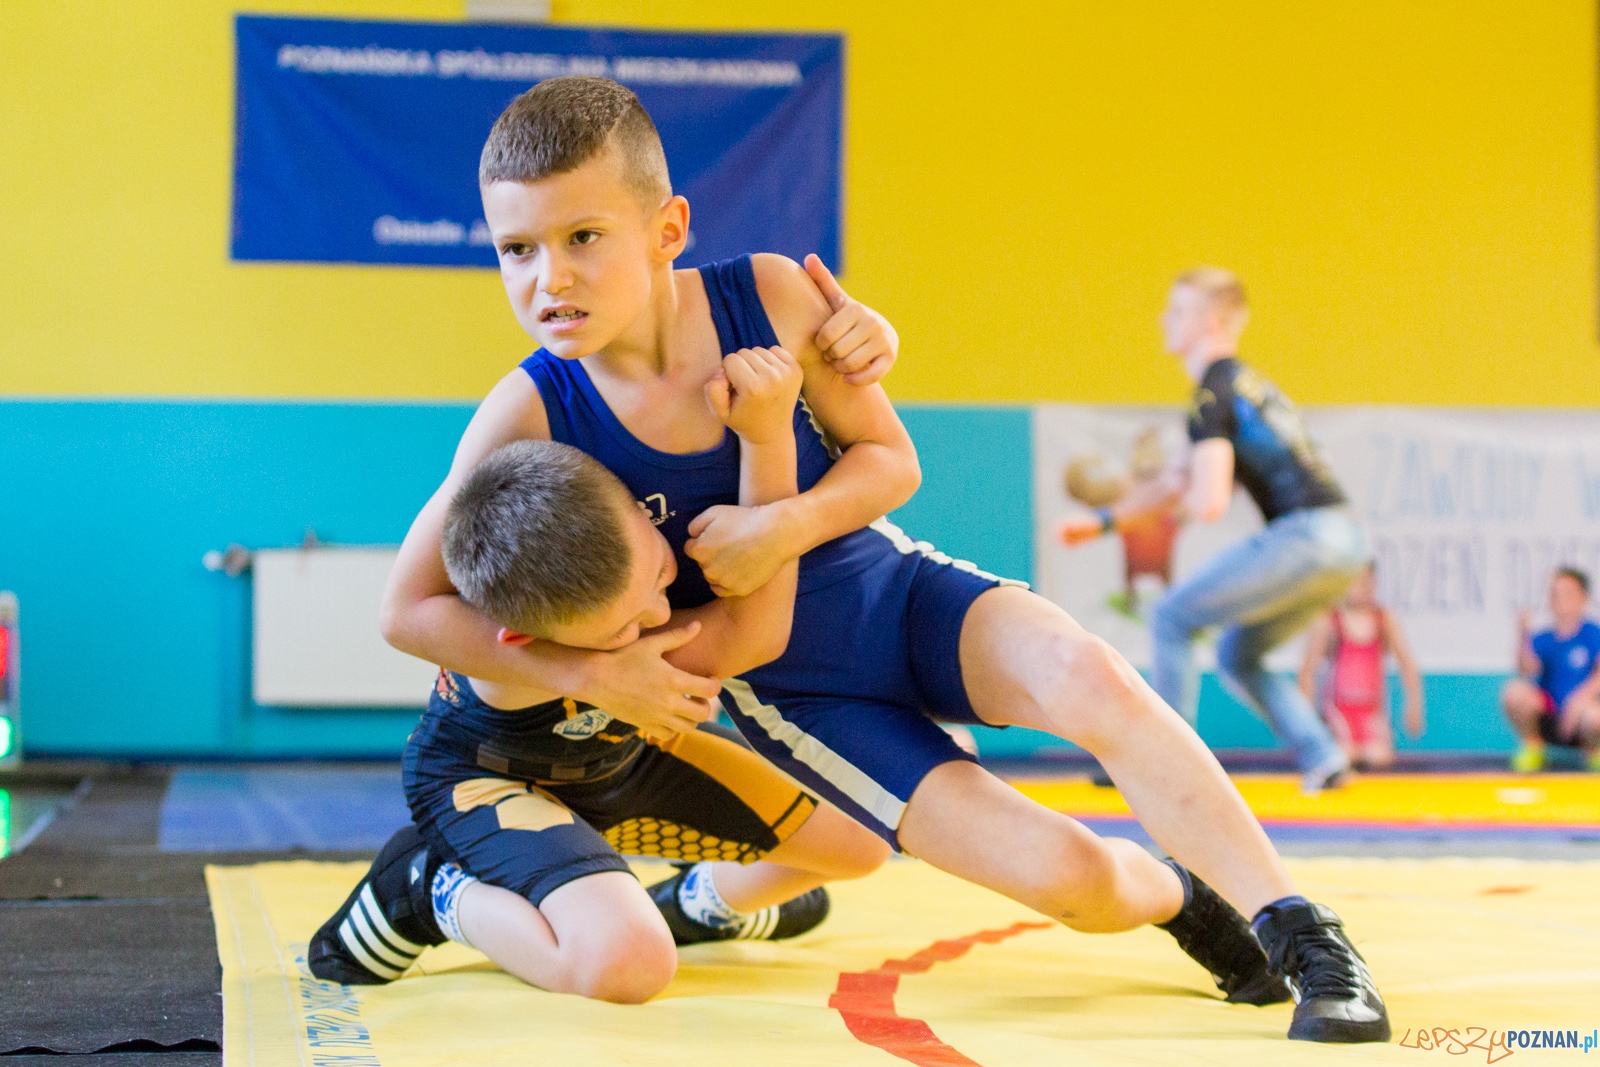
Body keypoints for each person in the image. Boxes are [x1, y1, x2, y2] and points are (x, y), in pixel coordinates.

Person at [379, 77, 1389, 1042]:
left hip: (896, 593)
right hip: (802, 696)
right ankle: (1180, 894)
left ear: (668, 231)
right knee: (1070, 879)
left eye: (582, 238)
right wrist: (590, 672)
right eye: (516, 249)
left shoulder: (768, 296)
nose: (547, 279)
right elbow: (407, 607)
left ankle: (1303, 931)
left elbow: (892, 461)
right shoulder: (527, 413)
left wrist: (781, 523)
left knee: (1091, 673)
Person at [312, 348, 896, 1002]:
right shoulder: (510, 633)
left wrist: (767, 439)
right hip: (490, 782)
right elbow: (400, 614)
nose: (657, 616)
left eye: (661, 577)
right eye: (621, 630)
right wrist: (769, 439)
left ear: (644, 512)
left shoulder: (594, 535)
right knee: (628, 963)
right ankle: (429, 886)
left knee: (870, 832)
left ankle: (700, 903)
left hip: (628, 760)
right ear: (524, 641)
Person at [1063, 267, 1367, 795]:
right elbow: (1176, 480)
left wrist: (1188, 498)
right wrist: (1104, 522)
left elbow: (1205, 500)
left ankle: (1163, 763)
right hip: (1345, 543)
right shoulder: (1246, 384)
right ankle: (1324, 755)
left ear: (1208, 321)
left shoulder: (1212, 392)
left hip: (1307, 536)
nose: (1164, 319)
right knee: (1237, 655)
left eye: (1176, 310)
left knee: (1172, 615)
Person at [1298, 563, 1424, 770]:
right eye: (1355, 581)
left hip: (1371, 713)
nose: (1361, 587)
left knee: (1378, 757)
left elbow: (1407, 663)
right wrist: (1307, 723)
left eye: (1366, 581)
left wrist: (1414, 706)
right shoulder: (1329, 619)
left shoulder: (1384, 619)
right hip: (1338, 713)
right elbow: (1307, 671)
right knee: (1343, 756)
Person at [1503, 567, 1600, 773]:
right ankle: (1534, 746)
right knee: (1514, 691)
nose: (1559, 599)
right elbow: (1526, 669)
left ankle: (1595, 752)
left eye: (1567, 593)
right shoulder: (1544, 638)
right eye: (1555, 593)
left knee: (1595, 715)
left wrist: (1579, 702)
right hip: (1551, 717)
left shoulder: (1593, 633)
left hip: (1582, 719)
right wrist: (1523, 633)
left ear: (1582, 598)